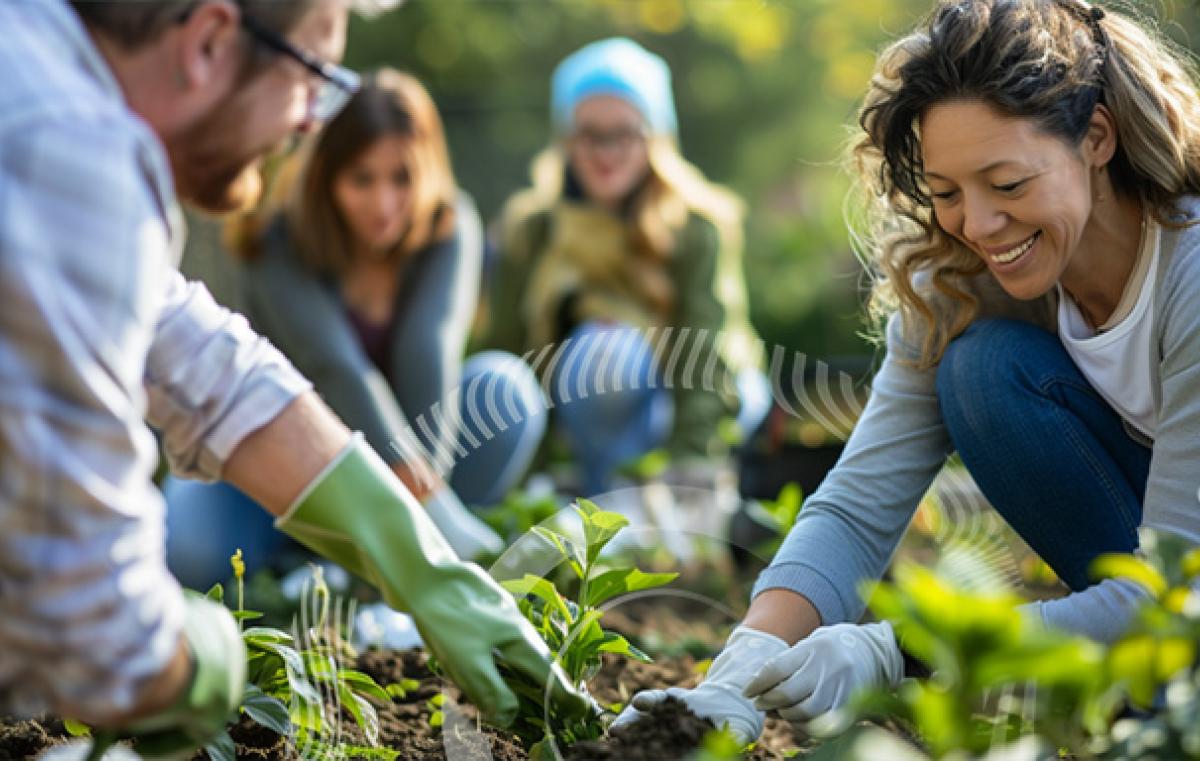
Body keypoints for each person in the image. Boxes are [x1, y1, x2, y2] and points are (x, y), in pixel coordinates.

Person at [0, 1, 584, 756]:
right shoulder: (63, 147)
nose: (313, 121)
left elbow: (197, 361)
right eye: (313, 75)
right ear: (209, 40)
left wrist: (418, 559)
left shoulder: (38, 87)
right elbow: (87, 619)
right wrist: (197, 657)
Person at [616, 0, 1200, 743]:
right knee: (982, 372)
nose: (980, 225)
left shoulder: (1190, 276)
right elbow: (858, 505)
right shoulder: (963, 281)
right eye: (948, 193)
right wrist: (740, 667)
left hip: (1186, 593)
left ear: (1095, 138)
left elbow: (1184, 590)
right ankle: (1137, 679)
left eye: (1009, 184)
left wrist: (901, 651)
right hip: (1164, 591)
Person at [163, 69, 542, 586]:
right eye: (362, 179)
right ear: (327, 176)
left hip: (417, 455)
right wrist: (427, 506)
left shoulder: (450, 227)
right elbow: (337, 367)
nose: (384, 205)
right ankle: (329, 564)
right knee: (191, 550)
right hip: (281, 463)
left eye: (402, 178)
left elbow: (430, 348)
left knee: (506, 390)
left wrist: (425, 499)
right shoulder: (273, 242)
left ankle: (389, 560)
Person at [486, 37, 771, 497]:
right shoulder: (531, 228)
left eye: (625, 133)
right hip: (582, 421)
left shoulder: (696, 224)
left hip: (701, 399)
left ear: (656, 137)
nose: (606, 151)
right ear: (565, 139)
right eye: (589, 134)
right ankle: (604, 504)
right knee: (599, 354)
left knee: (609, 354)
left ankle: (655, 506)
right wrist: (524, 476)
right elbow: (508, 352)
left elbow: (708, 345)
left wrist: (691, 462)